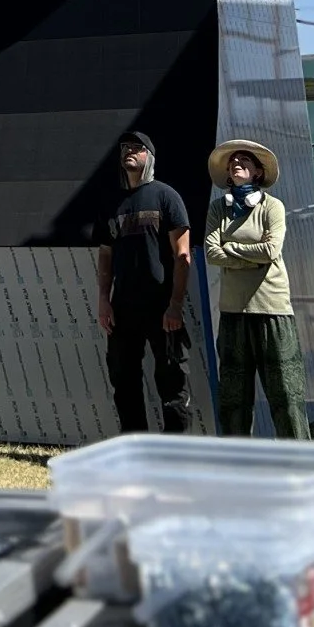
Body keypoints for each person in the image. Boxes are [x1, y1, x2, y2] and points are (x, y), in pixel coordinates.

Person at [204, 138, 310, 440]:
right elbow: (211, 253)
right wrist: (249, 255)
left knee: (286, 394)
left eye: (244, 161)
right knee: (234, 397)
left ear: (258, 173)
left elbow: (270, 250)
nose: (237, 164)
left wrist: (232, 248)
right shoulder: (217, 209)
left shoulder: (272, 206)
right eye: (233, 161)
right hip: (233, 312)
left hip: (272, 311)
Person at [97, 130, 194, 433]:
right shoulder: (111, 201)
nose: (129, 151)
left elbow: (183, 255)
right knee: (123, 380)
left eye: (136, 148)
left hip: (162, 307)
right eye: (125, 147)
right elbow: (105, 257)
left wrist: (175, 305)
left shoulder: (167, 196)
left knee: (171, 380)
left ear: (149, 157)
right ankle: (135, 447)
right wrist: (103, 299)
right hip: (122, 307)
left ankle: (174, 451)